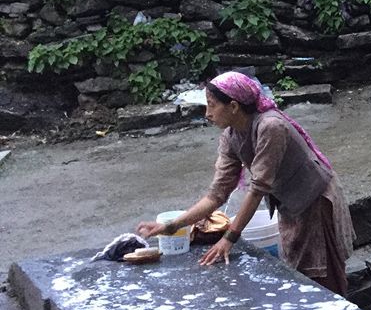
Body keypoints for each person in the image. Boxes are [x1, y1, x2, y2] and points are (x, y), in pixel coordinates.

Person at [137, 72, 355, 296]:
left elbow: (258, 189)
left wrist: (229, 238)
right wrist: (173, 226)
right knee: (301, 272)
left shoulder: (271, 127)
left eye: (212, 106)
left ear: (233, 106)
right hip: (291, 204)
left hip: (315, 200)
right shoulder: (231, 136)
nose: (207, 114)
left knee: (322, 273)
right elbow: (217, 193)